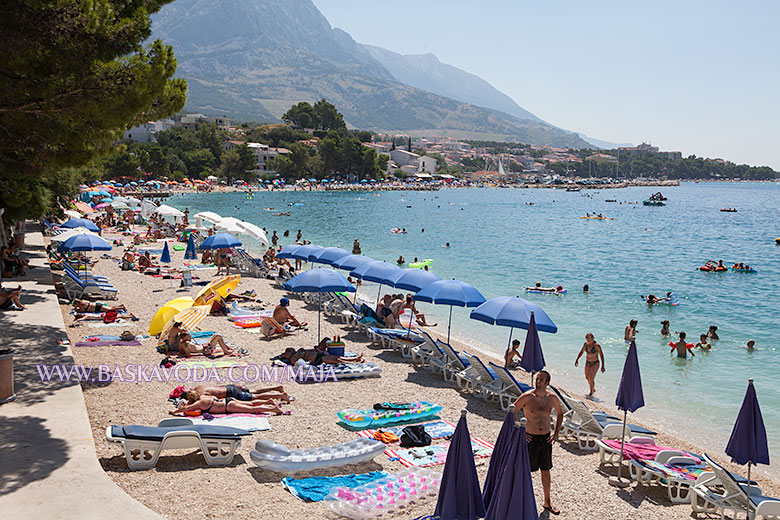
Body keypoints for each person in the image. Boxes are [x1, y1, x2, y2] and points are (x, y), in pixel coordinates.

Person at [513, 371, 563, 516]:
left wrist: (556, 432)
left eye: (541, 379)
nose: (538, 381)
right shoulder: (527, 397)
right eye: (537, 379)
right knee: (525, 470)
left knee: (546, 471)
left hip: (546, 439)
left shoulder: (552, 398)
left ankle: (547, 502)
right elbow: (512, 412)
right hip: (530, 438)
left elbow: (560, 413)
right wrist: (519, 432)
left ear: (547, 383)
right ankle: (519, 501)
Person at [170, 390, 284, 415]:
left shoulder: (199, 403)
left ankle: (273, 409)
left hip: (228, 406)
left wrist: (174, 412)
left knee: (252, 410)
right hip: (228, 400)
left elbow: (185, 409)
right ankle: (267, 401)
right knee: (251, 403)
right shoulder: (204, 396)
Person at [166, 323, 236, 357]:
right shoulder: (186, 344)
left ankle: (226, 348)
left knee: (215, 335)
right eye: (189, 336)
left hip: (204, 346)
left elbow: (182, 352)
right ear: (185, 338)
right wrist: (201, 354)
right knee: (218, 336)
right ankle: (226, 350)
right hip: (206, 350)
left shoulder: (182, 344)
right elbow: (188, 355)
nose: (190, 338)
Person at [194, 384, 291, 403]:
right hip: (229, 387)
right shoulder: (199, 387)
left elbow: (214, 399)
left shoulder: (202, 394)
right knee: (254, 391)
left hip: (231, 393)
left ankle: (281, 395)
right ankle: (276, 388)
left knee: (255, 397)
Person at [278, 347, 364, 365]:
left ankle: (355, 358)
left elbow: (290, 349)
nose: (287, 352)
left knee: (338, 357)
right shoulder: (293, 359)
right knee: (338, 361)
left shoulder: (295, 352)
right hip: (317, 360)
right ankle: (354, 363)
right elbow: (302, 364)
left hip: (318, 354)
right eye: (285, 353)